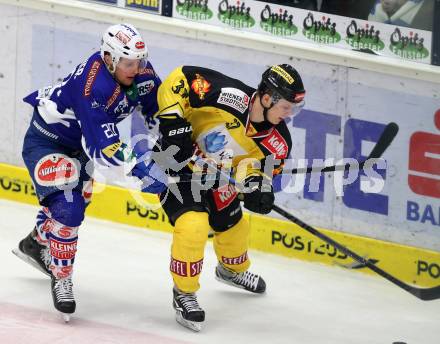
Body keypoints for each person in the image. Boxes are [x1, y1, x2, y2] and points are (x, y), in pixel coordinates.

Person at [12, 23, 166, 321]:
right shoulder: (92, 86)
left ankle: (34, 244)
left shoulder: (141, 73)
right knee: (69, 209)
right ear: (109, 58)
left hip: (79, 143)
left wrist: (173, 144)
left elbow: (157, 111)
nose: (136, 69)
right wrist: (141, 165)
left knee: (79, 200)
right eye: (128, 63)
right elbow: (103, 149)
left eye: (140, 61)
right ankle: (61, 277)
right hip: (47, 142)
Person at [154, 64, 306, 331]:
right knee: (193, 226)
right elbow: (180, 78)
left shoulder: (278, 140)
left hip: (217, 177)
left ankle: (230, 271)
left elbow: (261, 172)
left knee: (235, 226)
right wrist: (173, 123)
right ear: (268, 98)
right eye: (286, 107)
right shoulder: (228, 96)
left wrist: (259, 188)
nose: (289, 115)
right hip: (178, 165)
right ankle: (184, 293)